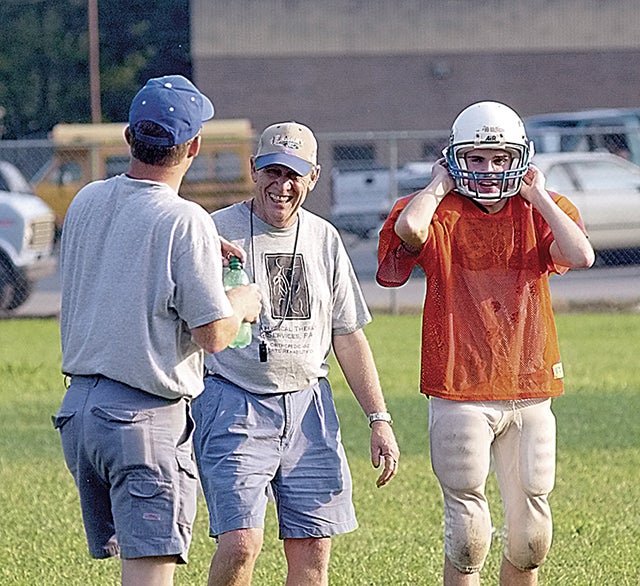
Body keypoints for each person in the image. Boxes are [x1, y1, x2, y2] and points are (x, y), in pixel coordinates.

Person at [52, 75, 261, 586]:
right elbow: (213, 335)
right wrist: (243, 301)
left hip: (80, 415)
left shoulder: (86, 201)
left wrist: (197, 237)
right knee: (148, 576)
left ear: (128, 138)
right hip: (142, 420)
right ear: (194, 146)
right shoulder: (183, 220)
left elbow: (131, 235)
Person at [376, 101, 595, 586]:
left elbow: (581, 254)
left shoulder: (541, 210)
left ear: (521, 157)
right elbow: (410, 230)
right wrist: (436, 185)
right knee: (468, 531)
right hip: (460, 385)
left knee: (532, 533)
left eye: (500, 158)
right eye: (477, 158)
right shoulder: (438, 211)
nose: (490, 170)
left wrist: (538, 198)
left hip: (530, 382)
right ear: (455, 158)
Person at [192, 121, 400, 586]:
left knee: (312, 549)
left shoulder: (324, 239)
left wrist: (379, 419)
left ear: (314, 177)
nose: (281, 186)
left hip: (309, 405)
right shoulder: (212, 232)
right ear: (253, 170)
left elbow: (347, 335)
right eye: (272, 171)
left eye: (294, 174)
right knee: (241, 543)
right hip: (232, 399)